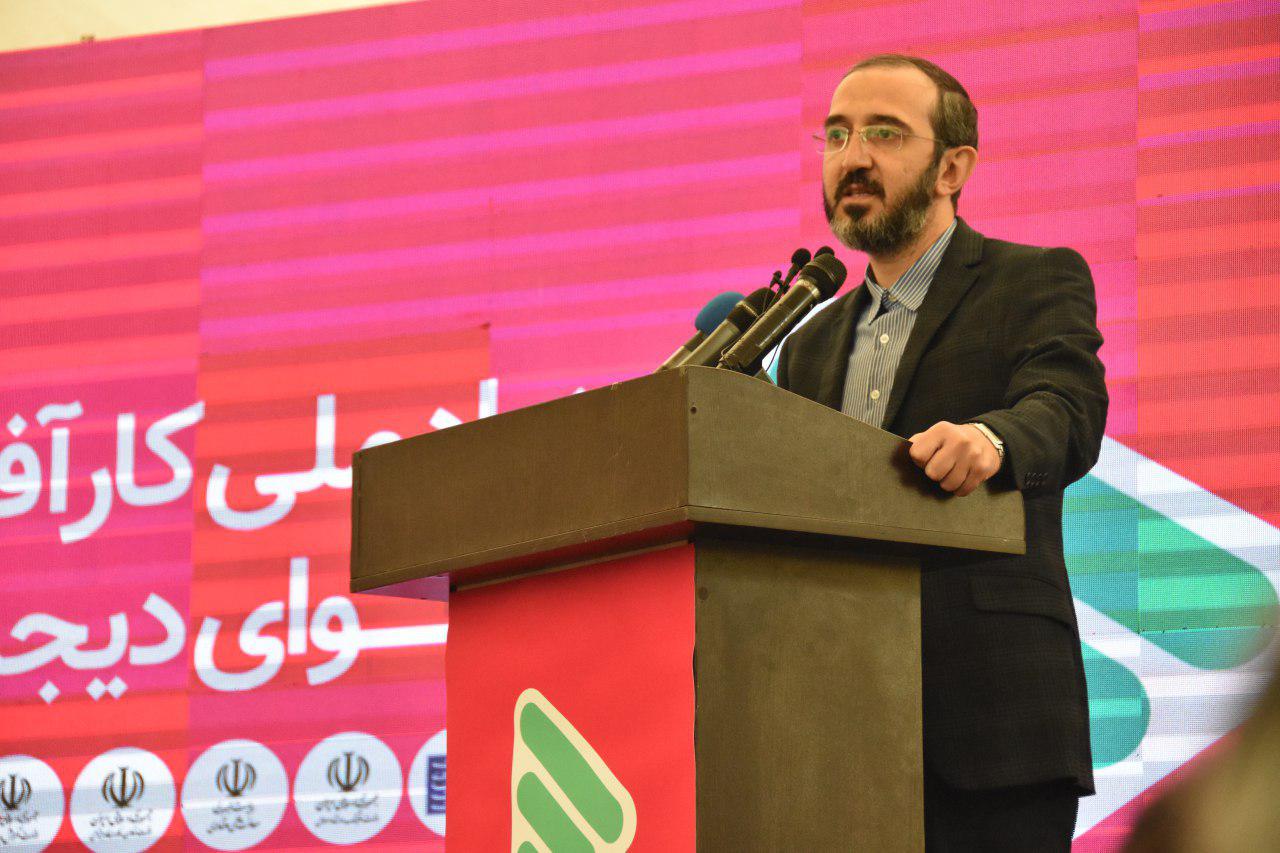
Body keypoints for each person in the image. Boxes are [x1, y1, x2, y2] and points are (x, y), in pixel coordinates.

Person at [776, 54, 1108, 851]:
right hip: (831, 735)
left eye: (885, 134)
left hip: (990, 724)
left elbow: (1067, 406)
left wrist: (991, 440)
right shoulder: (810, 341)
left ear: (952, 167)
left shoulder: (1033, 280)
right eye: (837, 135)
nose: (853, 157)